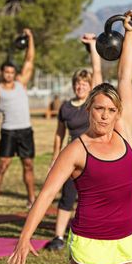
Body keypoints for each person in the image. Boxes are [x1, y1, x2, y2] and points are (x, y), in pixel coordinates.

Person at [8, 10, 132, 264]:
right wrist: (24, 237)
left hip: (128, 240)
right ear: (88, 109)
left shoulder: (124, 133)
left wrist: (129, 31)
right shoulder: (77, 149)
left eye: (110, 110)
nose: (105, 116)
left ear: (118, 112)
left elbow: (125, 76)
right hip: (90, 242)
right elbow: (46, 195)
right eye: (99, 109)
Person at [45, 33, 102, 250]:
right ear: (74, 86)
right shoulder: (66, 107)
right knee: (67, 196)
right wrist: (54, 158)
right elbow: (59, 134)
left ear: (89, 87)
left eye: (84, 84)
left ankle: (95, 233)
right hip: (71, 155)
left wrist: (93, 47)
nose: (81, 87)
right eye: (78, 84)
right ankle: (59, 237)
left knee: (93, 197)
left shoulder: (92, 102)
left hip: (93, 155)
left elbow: (97, 72)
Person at [0, 29, 36, 208]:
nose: (9, 75)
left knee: (28, 164)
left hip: (25, 131)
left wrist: (30, 38)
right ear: (2, 72)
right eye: (6, 72)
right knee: (2, 166)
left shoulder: (21, 83)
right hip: (8, 132)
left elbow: (29, 60)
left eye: (12, 72)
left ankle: (31, 199)